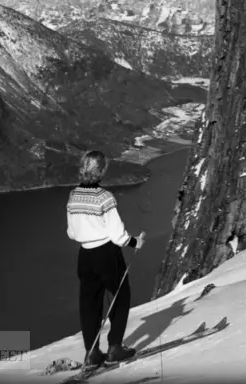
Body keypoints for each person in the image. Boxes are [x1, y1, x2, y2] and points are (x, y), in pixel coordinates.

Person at [66, 150, 146, 369]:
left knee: (89, 304)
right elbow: (117, 235)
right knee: (120, 296)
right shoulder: (104, 198)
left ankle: (91, 355)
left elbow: (71, 233)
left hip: (85, 256)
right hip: (106, 253)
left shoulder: (73, 195)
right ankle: (114, 349)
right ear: (100, 171)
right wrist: (135, 242)